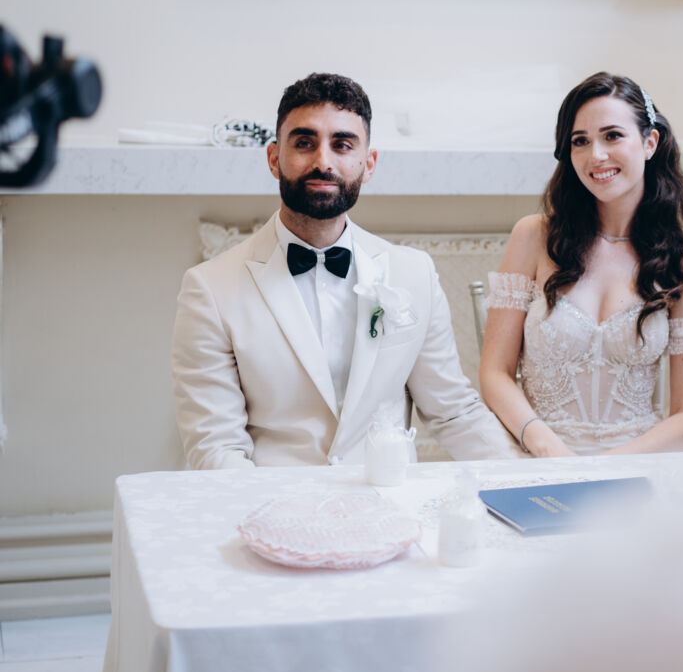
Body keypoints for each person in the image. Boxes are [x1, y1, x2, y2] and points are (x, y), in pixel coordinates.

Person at [173, 73, 521, 468]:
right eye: (304, 143)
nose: (323, 161)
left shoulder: (414, 274)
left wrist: (534, 478)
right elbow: (217, 449)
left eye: (342, 145)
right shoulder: (209, 289)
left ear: (368, 164)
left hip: (387, 497)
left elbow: (453, 412)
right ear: (273, 159)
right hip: (273, 500)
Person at [479, 71, 683, 456]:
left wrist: (606, 467)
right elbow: (495, 374)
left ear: (649, 142)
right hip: (538, 458)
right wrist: (549, 450)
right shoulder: (534, 237)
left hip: (635, 465)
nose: (596, 156)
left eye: (612, 136)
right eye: (580, 141)